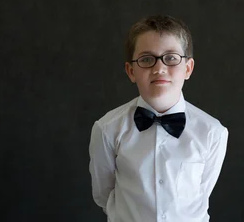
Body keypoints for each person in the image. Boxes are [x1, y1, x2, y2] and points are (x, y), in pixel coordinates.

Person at [89, 14, 229, 221]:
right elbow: (104, 194)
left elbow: (202, 192)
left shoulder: (212, 132)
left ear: (188, 68)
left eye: (171, 58)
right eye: (146, 59)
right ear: (131, 71)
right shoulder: (107, 129)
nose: (159, 68)